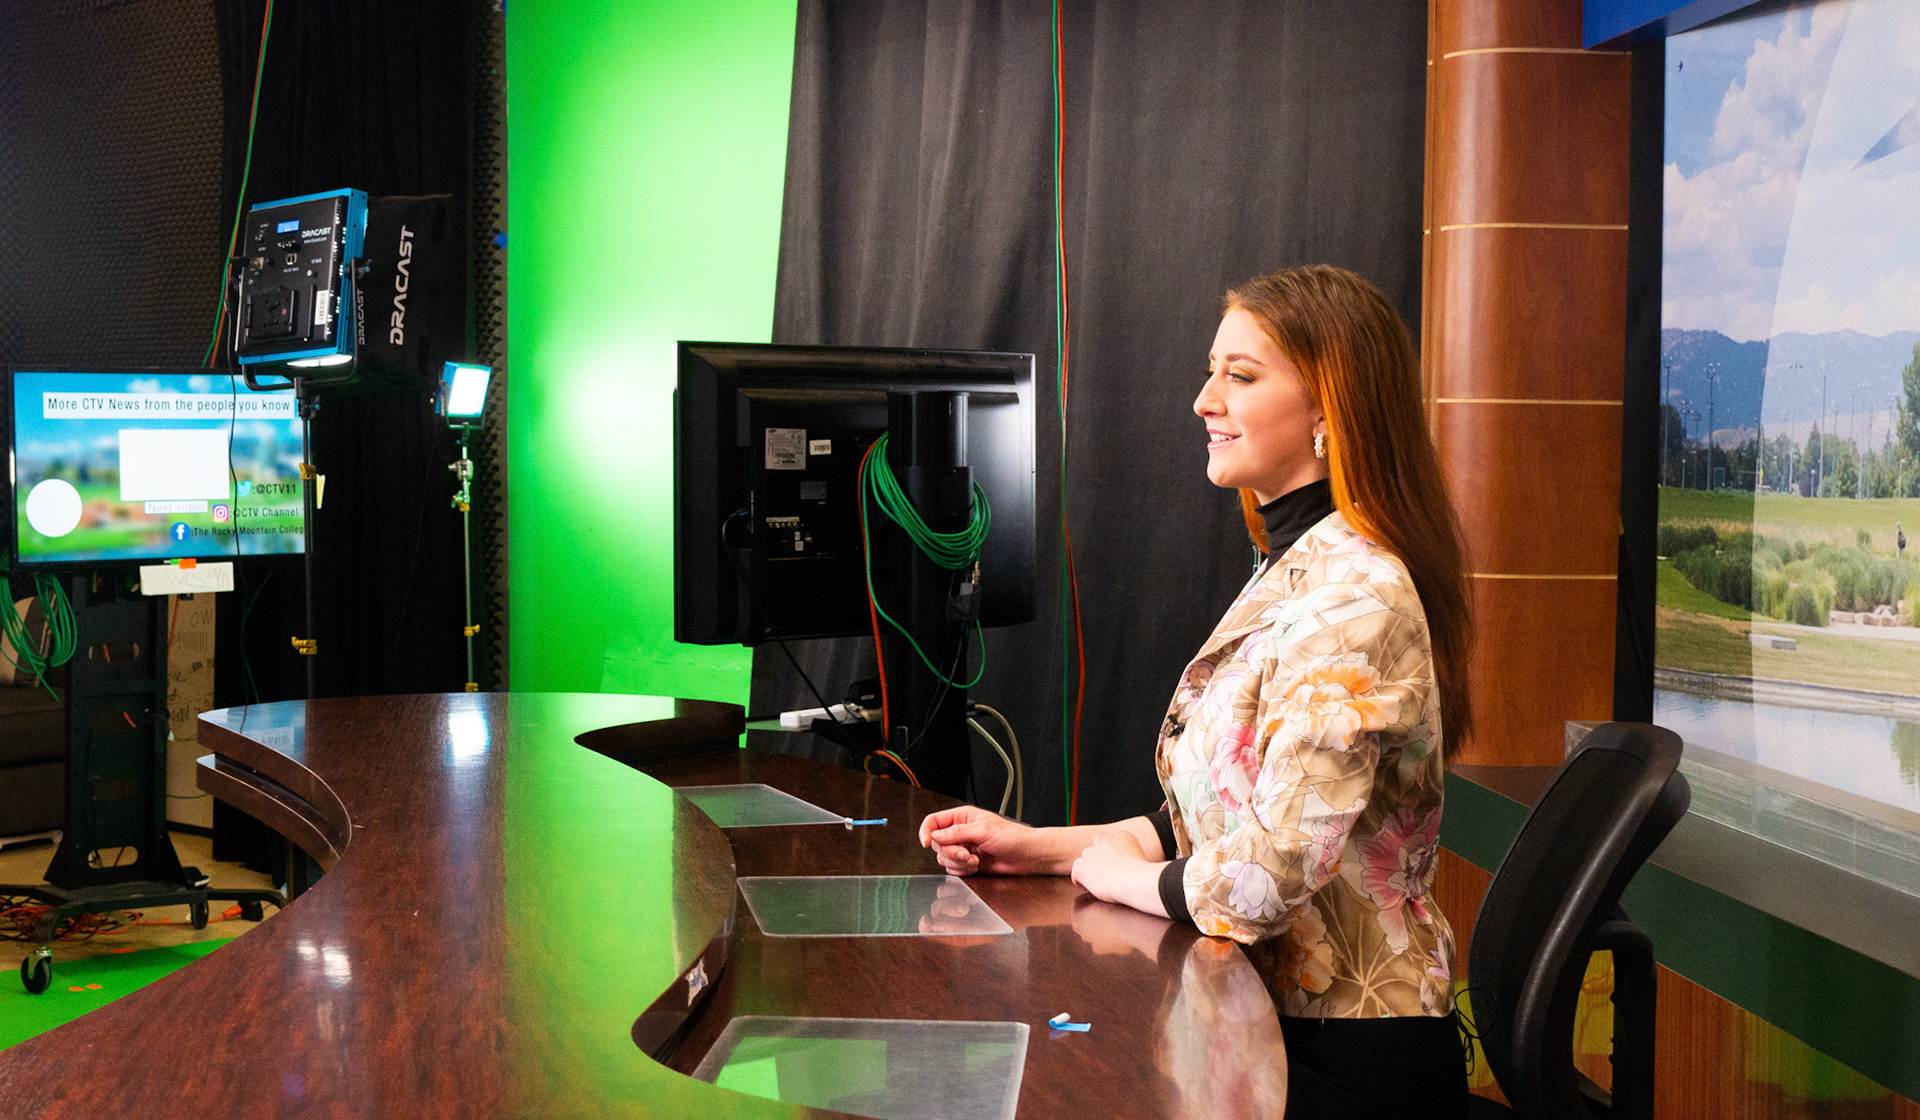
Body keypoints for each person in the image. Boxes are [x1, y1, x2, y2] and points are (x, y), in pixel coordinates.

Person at [918, 265, 1474, 1117]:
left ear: (1332, 408)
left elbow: (1265, 877)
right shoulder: (1297, 567)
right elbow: (1219, 818)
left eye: (1240, 376)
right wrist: (1039, 848)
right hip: (1264, 1024)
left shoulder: (1355, 594)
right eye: (1213, 370)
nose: (1203, 400)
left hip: (1345, 1056)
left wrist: (1116, 878)